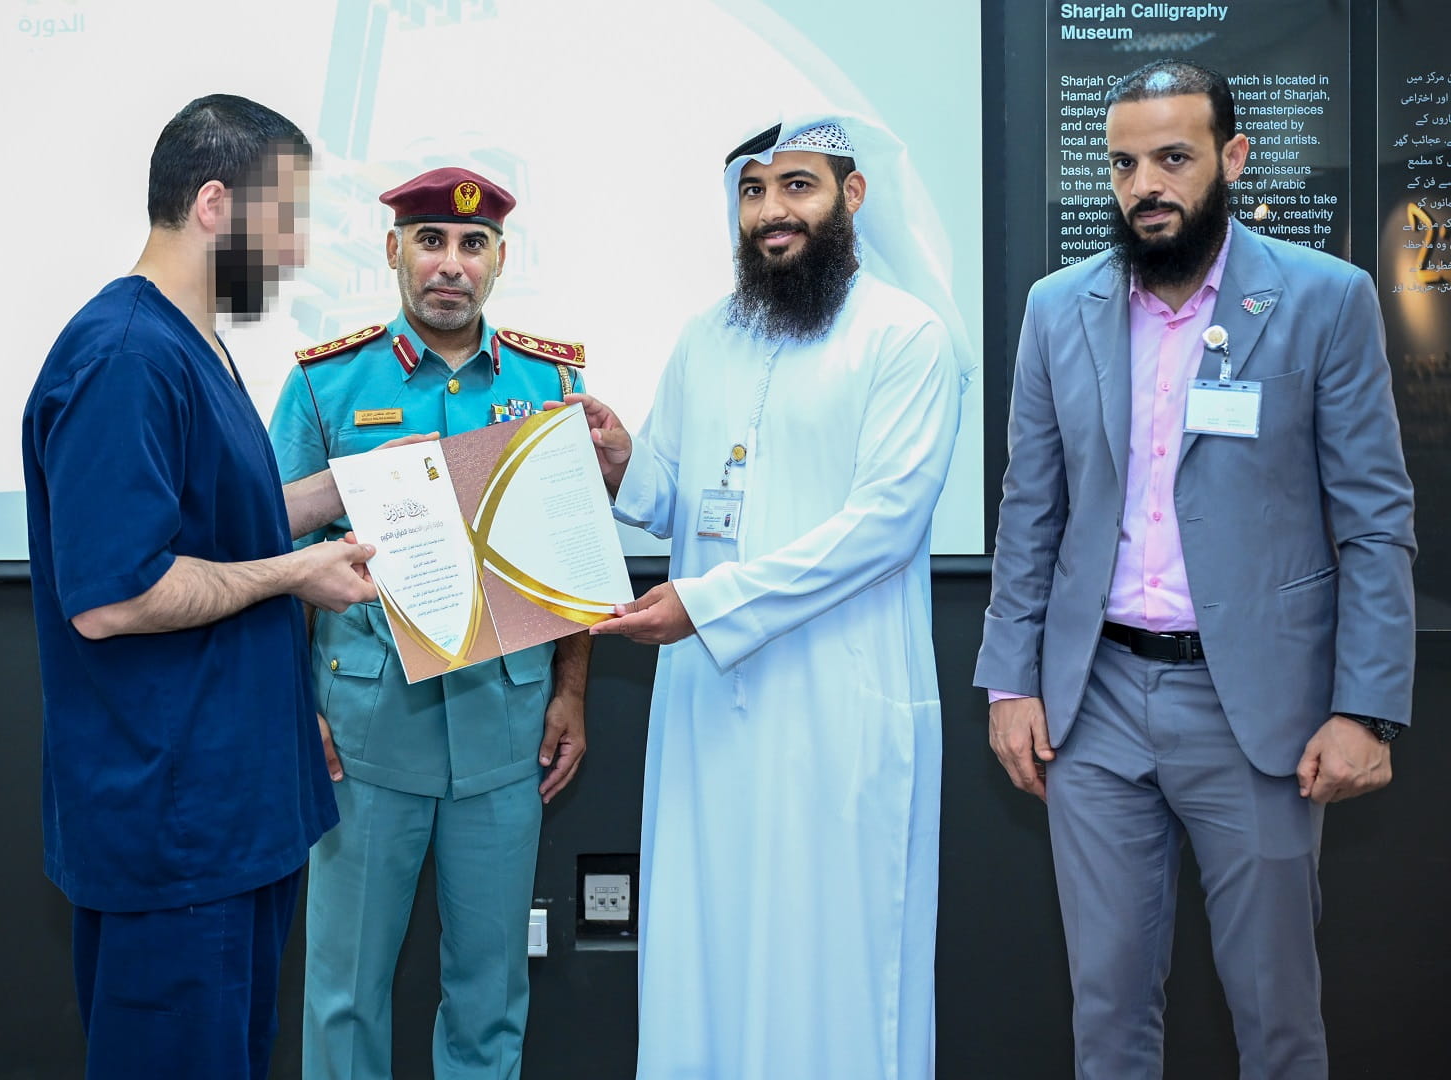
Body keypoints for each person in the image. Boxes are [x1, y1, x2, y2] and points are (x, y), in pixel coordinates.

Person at [976, 59, 1414, 1079]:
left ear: (1233, 157)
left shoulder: (1325, 301)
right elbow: (1030, 509)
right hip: (1093, 708)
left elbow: (1375, 521)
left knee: (1276, 1016)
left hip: (1257, 708)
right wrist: (1011, 681)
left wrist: (1366, 707)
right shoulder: (1058, 308)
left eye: (1173, 158)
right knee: (1108, 1014)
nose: (1148, 186)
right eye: (1126, 163)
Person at [565, 112, 971, 1078]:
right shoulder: (708, 336)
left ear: (852, 196)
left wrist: (705, 604)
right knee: (706, 940)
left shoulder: (904, 336)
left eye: (798, 186)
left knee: (831, 953)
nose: (771, 212)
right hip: (710, 705)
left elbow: (885, 526)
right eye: (753, 191)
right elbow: (670, 493)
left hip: (838, 701)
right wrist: (621, 462)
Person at [23, 95, 402, 1080]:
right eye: (290, 217)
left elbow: (218, 517)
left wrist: (363, 484)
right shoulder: (124, 356)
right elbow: (114, 595)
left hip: (234, 818)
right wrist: (298, 572)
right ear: (216, 205)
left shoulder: (192, 341)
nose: (300, 247)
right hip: (175, 834)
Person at [268, 167, 591, 1079]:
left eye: (472, 244)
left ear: (497, 259)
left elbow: (569, 555)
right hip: (364, 734)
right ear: (393, 251)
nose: (451, 264)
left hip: (504, 729)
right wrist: (298, 709)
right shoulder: (327, 385)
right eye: (431, 242)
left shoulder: (548, 378)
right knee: (345, 991)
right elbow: (267, 551)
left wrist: (571, 691)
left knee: (490, 995)